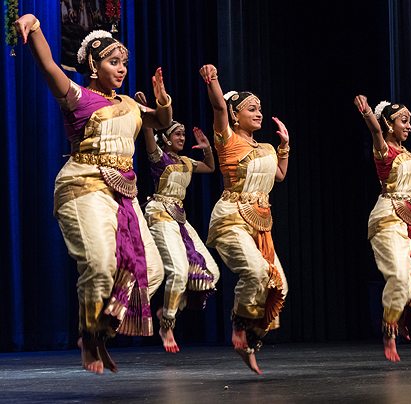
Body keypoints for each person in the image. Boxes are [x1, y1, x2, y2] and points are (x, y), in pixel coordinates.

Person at [14, 15, 172, 374]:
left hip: (124, 195)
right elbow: (47, 65)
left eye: (124, 63)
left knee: (152, 271)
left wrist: (163, 101)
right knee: (100, 267)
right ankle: (87, 335)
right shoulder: (78, 97)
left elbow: (161, 122)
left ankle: (100, 331)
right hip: (84, 185)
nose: (121, 69)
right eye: (113, 62)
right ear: (92, 64)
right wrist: (35, 26)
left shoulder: (131, 105)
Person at [200, 64, 289, 374]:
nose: (259, 112)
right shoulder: (226, 139)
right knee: (255, 272)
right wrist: (213, 81)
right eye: (252, 108)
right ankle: (239, 328)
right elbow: (217, 105)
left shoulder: (264, 146)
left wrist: (284, 146)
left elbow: (279, 176)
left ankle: (250, 343)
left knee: (280, 286)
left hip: (261, 222)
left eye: (260, 109)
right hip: (231, 218)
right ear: (235, 115)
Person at [354, 95, 411, 362]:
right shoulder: (383, 149)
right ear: (388, 123)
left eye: (409, 122)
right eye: (403, 121)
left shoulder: (407, 154)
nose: (408, 126)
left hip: (410, 220)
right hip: (387, 218)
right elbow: (374, 130)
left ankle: (405, 315)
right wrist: (367, 112)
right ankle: (389, 330)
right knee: (400, 278)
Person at [135, 92, 220, 353]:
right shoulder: (157, 156)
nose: (182, 138)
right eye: (177, 134)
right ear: (165, 137)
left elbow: (210, 167)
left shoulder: (185, 162)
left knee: (211, 274)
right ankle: (167, 325)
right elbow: (148, 131)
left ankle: (168, 310)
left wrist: (207, 147)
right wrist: (148, 110)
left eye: (183, 135)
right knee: (178, 271)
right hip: (159, 213)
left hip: (180, 218)